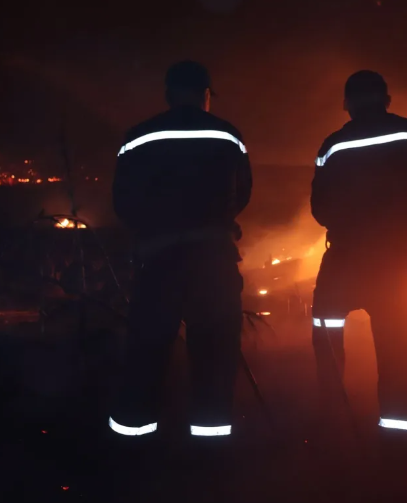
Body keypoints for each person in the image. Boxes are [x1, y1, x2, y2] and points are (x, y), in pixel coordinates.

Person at [109, 60, 252, 443]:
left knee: (146, 354)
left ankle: (133, 442)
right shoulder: (227, 135)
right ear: (205, 95)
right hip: (213, 262)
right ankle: (210, 447)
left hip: (159, 261)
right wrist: (214, 222)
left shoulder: (138, 137)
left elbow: (123, 200)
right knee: (214, 356)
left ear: (168, 95)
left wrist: (153, 230)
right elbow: (243, 193)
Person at [310, 70, 407, 437]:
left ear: (346, 104)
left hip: (346, 261)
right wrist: (405, 225)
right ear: (387, 100)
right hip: (402, 265)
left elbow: (320, 208)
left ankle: (330, 419)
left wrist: (352, 226)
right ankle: (397, 440)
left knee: (327, 330)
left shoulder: (333, 145)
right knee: (401, 354)